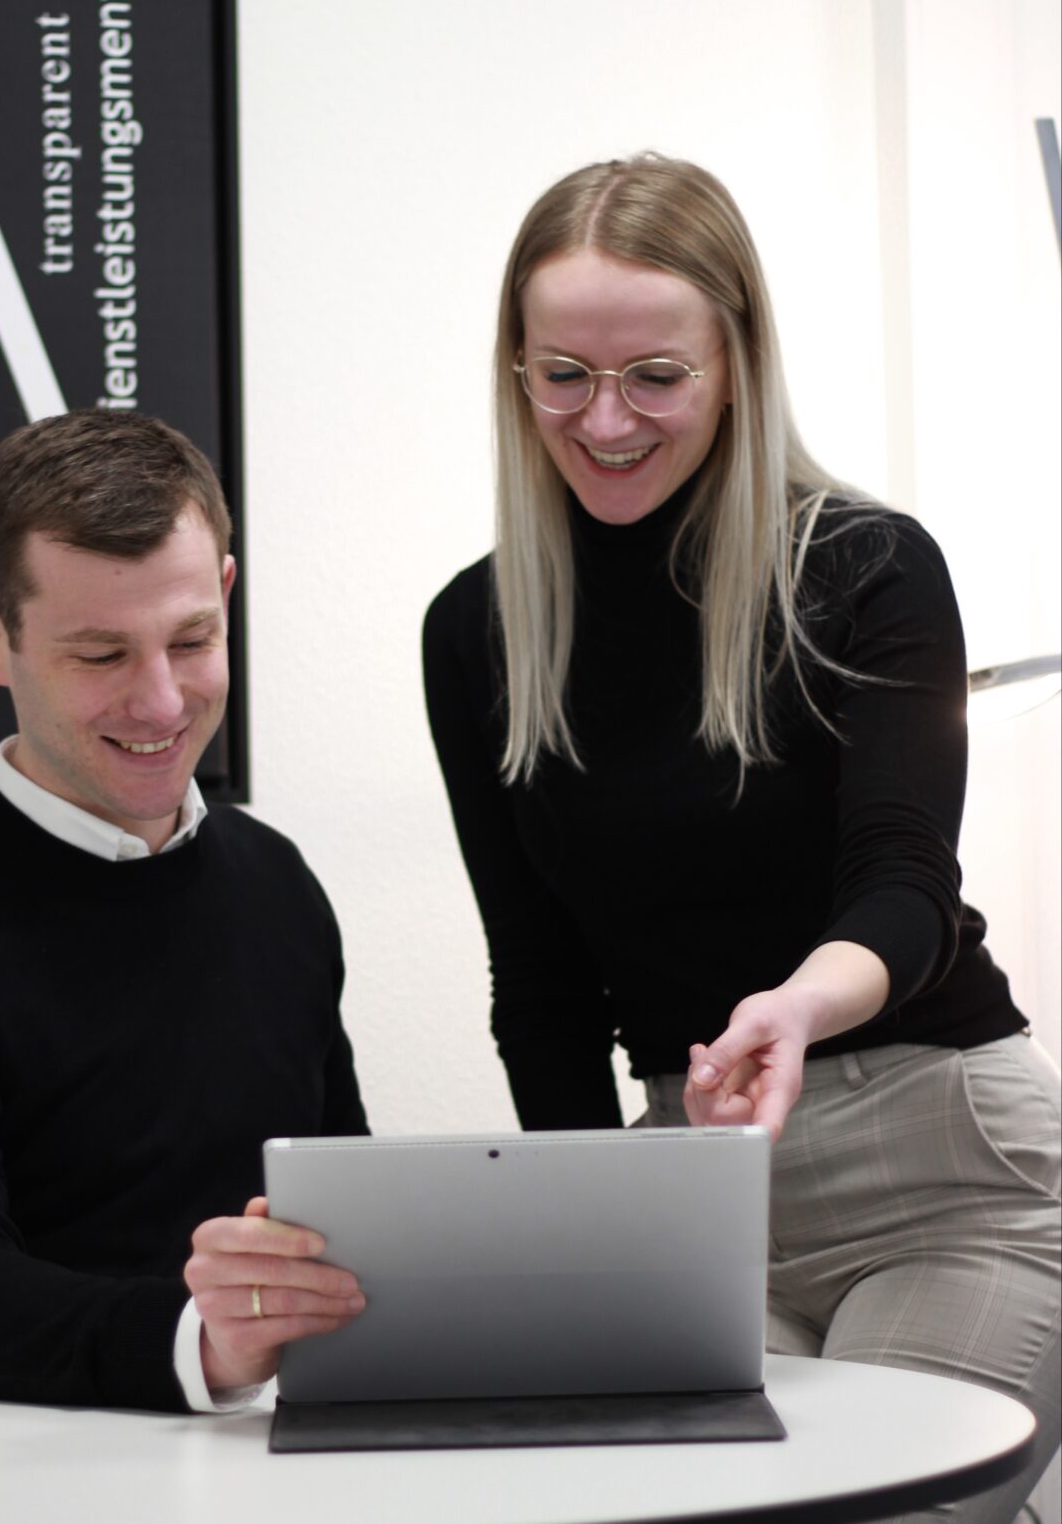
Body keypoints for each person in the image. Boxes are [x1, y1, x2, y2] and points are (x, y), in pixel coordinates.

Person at [423, 155, 1060, 1522]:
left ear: (736, 363)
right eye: (563, 376)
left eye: (656, 373)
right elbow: (539, 989)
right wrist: (591, 1260)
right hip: (694, 1194)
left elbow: (905, 887)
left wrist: (795, 1000)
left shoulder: (867, 568)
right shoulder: (476, 630)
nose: (605, 419)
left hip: (944, 1164)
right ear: (515, 372)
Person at [0, 409, 367, 1413]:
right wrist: (201, 1346)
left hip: (241, 1462)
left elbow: (345, 1208)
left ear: (227, 593)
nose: (159, 702)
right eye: (100, 656)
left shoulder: (276, 883)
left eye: (192, 640)